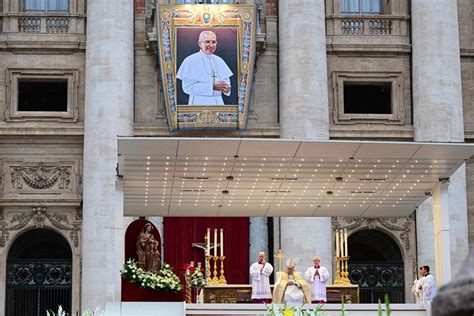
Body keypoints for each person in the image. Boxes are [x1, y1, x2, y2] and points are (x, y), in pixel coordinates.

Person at [177, 30, 233, 105]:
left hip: (218, 103)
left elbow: (226, 84)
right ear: (199, 44)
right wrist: (211, 87)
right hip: (198, 103)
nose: (211, 45)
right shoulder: (190, 60)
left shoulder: (220, 61)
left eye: (213, 42)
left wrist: (226, 89)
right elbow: (187, 88)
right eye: (207, 42)